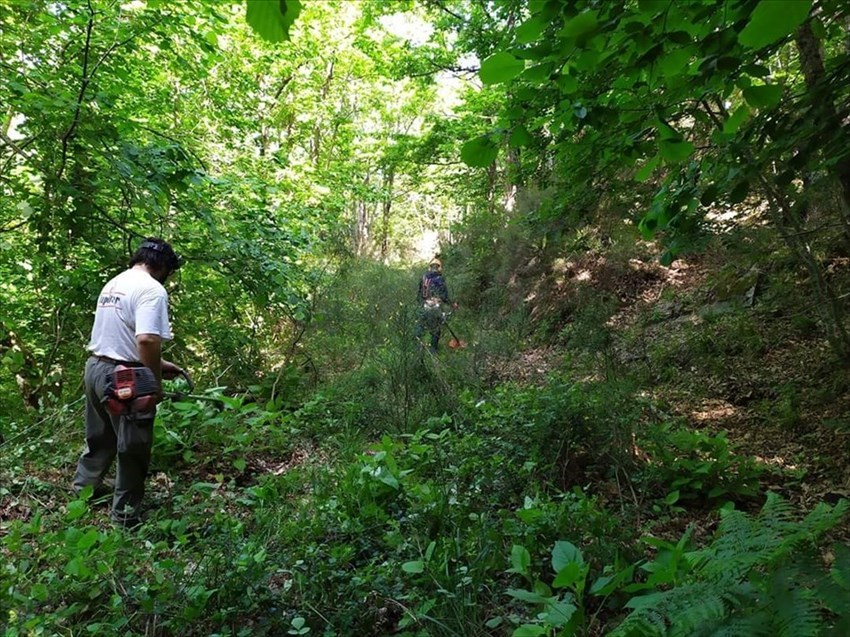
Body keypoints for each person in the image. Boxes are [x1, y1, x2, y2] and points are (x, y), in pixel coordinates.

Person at [72, 238, 183, 528]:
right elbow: (146, 339)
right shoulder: (152, 290)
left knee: (100, 436)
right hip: (125, 379)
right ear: (163, 266)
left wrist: (159, 363)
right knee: (134, 446)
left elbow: (120, 336)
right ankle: (125, 516)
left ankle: (83, 492)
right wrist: (153, 381)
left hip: (97, 367)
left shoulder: (115, 283)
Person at [415, 257, 456, 353]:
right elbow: (444, 296)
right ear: (439, 268)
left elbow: (419, 295)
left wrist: (422, 304)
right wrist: (452, 304)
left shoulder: (423, 278)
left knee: (420, 327)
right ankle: (433, 350)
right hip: (436, 307)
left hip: (425, 305)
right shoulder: (440, 279)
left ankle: (417, 348)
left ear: (430, 267)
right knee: (436, 329)